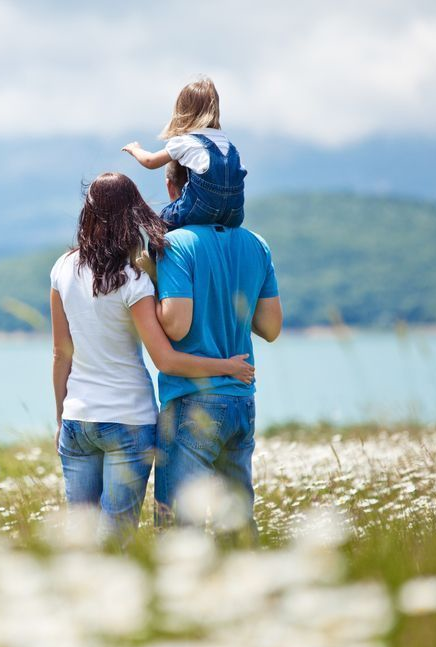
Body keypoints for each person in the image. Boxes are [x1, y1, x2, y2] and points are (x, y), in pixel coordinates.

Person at [50, 172, 255, 544]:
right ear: (131, 215)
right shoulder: (134, 281)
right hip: (128, 420)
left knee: (78, 539)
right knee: (118, 541)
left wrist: (60, 416)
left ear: (89, 213)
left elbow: (61, 353)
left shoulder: (62, 268)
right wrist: (226, 367)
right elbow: (166, 359)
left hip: (77, 419)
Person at [152, 165, 283, 536]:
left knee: (180, 526)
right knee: (237, 525)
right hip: (242, 399)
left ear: (172, 185)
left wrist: (151, 280)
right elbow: (271, 328)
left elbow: (176, 324)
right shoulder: (257, 244)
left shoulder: (175, 244)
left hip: (192, 400)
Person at [121, 77, 247, 230]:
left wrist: (135, 150)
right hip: (234, 213)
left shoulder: (186, 141)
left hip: (202, 208)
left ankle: (153, 254)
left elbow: (150, 161)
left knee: (162, 222)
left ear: (182, 111)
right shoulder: (228, 144)